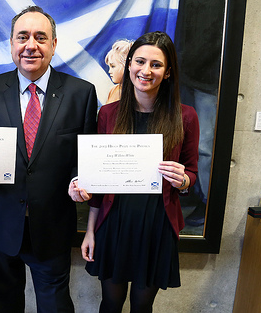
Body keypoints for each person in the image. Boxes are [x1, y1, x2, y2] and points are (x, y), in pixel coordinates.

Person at [0, 5, 98, 313]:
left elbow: (86, 156)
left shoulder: (82, 93)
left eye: (41, 37)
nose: (31, 45)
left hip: (51, 226)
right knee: (4, 305)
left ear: (54, 45)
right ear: (11, 44)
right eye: (22, 37)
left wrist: (80, 179)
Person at [72, 31, 200, 313]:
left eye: (156, 64)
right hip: (114, 222)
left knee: (142, 306)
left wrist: (184, 179)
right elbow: (98, 181)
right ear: (129, 65)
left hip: (156, 225)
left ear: (167, 73)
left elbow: (191, 173)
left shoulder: (185, 116)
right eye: (140, 61)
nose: (146, 70)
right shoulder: (108, 114)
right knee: (111, 302)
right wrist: (90, 231)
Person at [105, 39, 134, 104]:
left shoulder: (136, 92)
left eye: (113, 66)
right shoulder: (113, 90)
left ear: (127, 65)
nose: (109, 71)